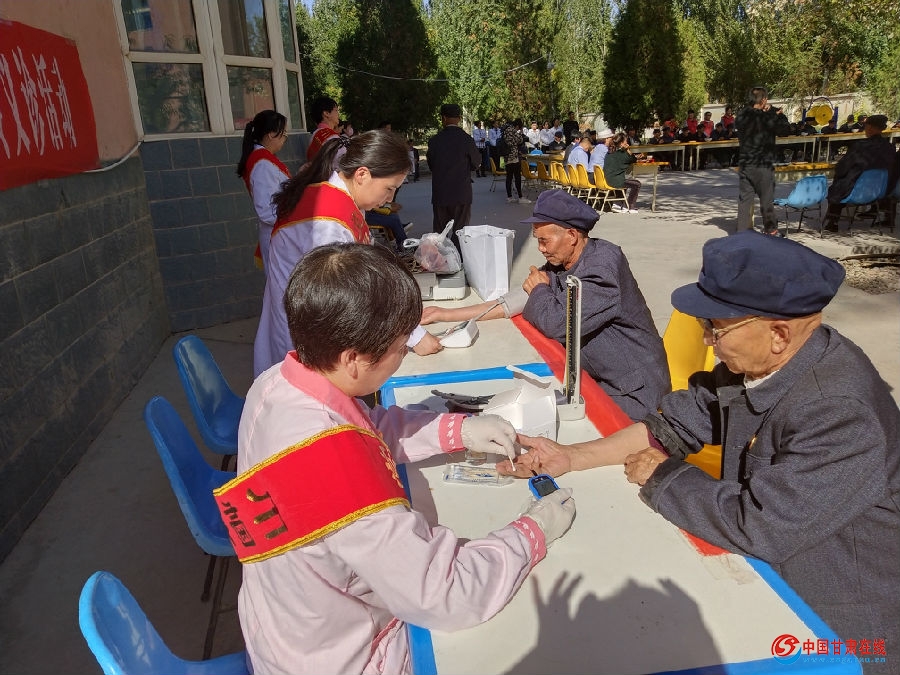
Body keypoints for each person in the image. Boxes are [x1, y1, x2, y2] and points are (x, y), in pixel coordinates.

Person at [499, 232, 900, 674]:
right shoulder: (761, 364)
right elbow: (674, 423)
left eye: (716, 327)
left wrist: (664, 476)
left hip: (837, 616)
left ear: (778, 334)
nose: (707, 340)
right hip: (780, 575)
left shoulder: (838, 411)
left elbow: (762, 525)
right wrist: (573, 456)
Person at [227, 242, 577, 675]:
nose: (405, 354)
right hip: (344, 658)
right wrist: (531, 532)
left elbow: (364, 427)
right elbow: (445, 595)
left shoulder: (275, 384)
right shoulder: (343, 477)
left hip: (283, 625)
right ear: (353, 359)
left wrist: (458, 430)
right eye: (399, 347)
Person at [421, 190, 670, 421]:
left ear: (571, 235)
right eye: (537, 240)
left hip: (634, 390)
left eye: (545, 241)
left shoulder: (601, 269)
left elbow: (557, 324)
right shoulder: (566, 259)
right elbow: (514, 301)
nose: (540, 249)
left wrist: (540, 290)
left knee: (543, 420)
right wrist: (445, 314)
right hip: (601, 377)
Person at [254, 130, 442, 377]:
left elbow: (367, 259)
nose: (389, 199)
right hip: (306, 328)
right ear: (362, 174)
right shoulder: (328, 218)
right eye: (389, 188)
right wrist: (411, 335)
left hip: (314, 315)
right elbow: (351, 289)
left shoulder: (342, 199)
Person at [822, 114, 896, 232]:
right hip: (880, 191)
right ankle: (884, 215)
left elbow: (843, 167)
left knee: (839, 183)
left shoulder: (861, 146)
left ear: (869, 127)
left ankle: (833, 221)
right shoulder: (889, 147)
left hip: (857, 190)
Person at [236, 110, 290, 271]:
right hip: (278, 234)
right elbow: (267, 210)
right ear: (271, 134)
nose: (285, 138)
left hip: (281, 232)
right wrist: (296, 214)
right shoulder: (262, 163)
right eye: (283, 133)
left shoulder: (265, 159)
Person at [735, 86, 790, 235]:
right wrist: (776, 113)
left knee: (745, 200)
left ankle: (741, 233)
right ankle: (770, 230)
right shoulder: (767, 117)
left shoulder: (741, 116)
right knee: (766, 199)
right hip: (762, 163)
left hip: (745, 163)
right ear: (764, 100)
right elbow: (785, 130)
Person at [426, 103, 481, 244]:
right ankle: (457, 255)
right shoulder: (467, 139)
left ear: (443, 118)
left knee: (439, 233)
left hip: (441, 193)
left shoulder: (434, 141)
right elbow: (476, 163)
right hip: (461, 192)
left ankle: (440, 256)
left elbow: (431, 165)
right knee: (460, 231)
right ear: (459, 118)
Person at [603, 132, 643, 213]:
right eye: (625, 141)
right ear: (621, 143)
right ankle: (630, 206)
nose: (627, 143)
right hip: (615, 181)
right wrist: (628, 149)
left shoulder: (609, 152)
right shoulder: (622, 153)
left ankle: (618, 203)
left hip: (607, 179)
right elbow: (633, 159)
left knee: (624, 180)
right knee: (637, 184)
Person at [502, 117, 531, 204]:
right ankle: (520, 197)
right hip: (513, 156)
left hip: (507, 156)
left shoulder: (506, 130)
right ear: (517, 126)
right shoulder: (513, 130)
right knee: (517, 176)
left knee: (509, 177)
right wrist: (520, 134)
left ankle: (509, 197)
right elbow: (520, 140)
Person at [306, 96, 341, 161]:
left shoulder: (315, 134)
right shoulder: (331, 137)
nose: (338, 114)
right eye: (336, 110)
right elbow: (342, 161)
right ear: (326, 113)